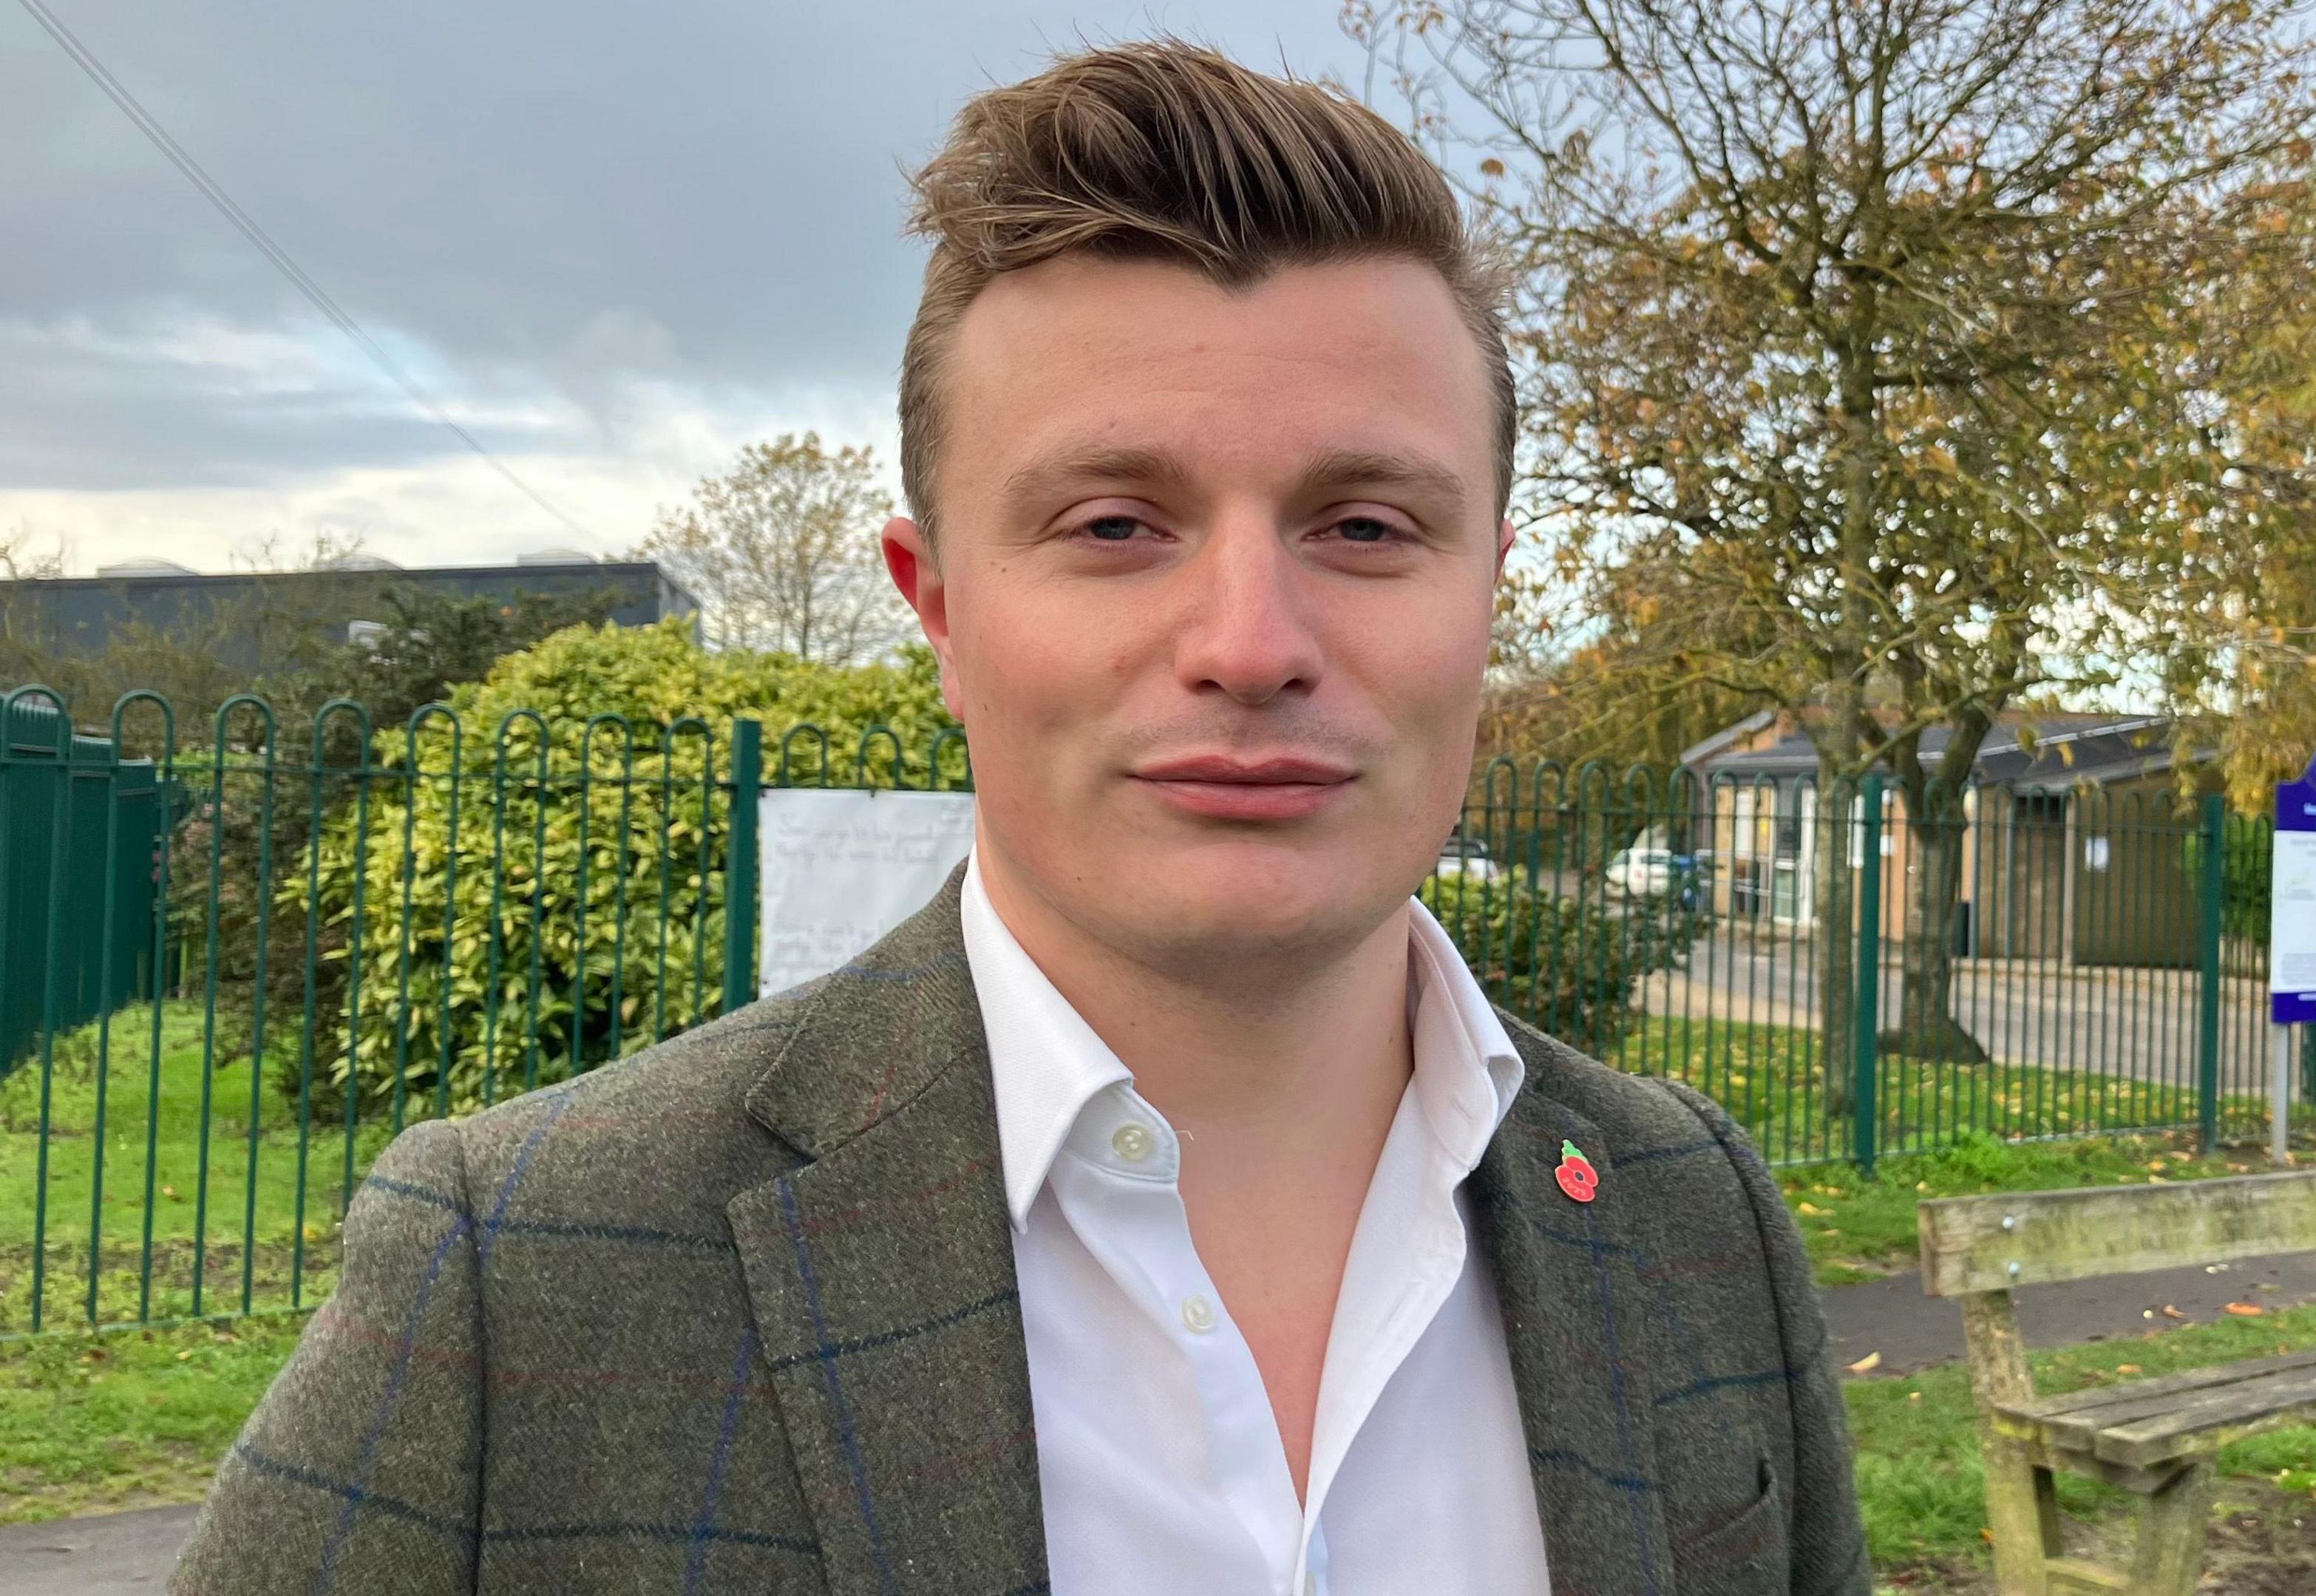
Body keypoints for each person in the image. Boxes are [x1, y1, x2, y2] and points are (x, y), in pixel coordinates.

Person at [171, 41, 1864, 1596]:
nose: (1253, 646)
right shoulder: (522, 1274)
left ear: (1489, 592)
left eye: (1363, 526)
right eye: (1119, 523)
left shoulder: (1694, 1217)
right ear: (940, 610)